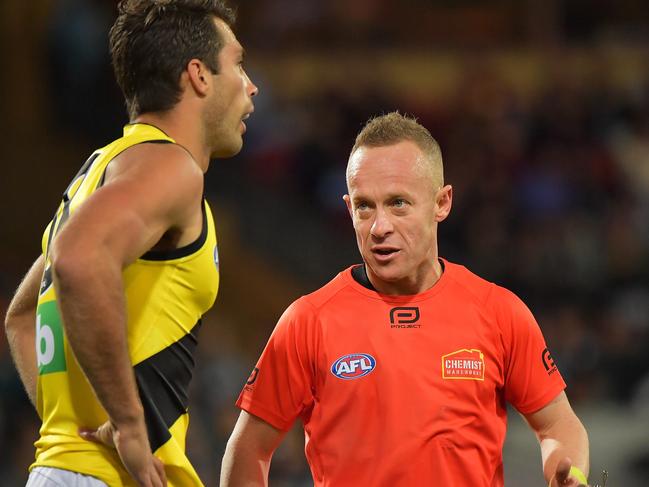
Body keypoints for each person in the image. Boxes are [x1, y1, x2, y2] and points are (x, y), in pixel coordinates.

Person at [220, 112, 590, 487]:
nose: (380, 227)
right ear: (348, 209)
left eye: (398, 203)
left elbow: (558, 423)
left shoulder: (499, 313)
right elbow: (250, 449)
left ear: (441, 203)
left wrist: (568, 471)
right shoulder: (308, 321)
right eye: (365, 206)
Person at [4, 0, 258, 485]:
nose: (251, 86)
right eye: (239, 63)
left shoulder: (103, 170)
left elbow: (23, 316)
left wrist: (70, 438)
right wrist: (128, 424)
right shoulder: (170, 167)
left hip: (72, 471)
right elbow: (77, 259)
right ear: (199, 75)